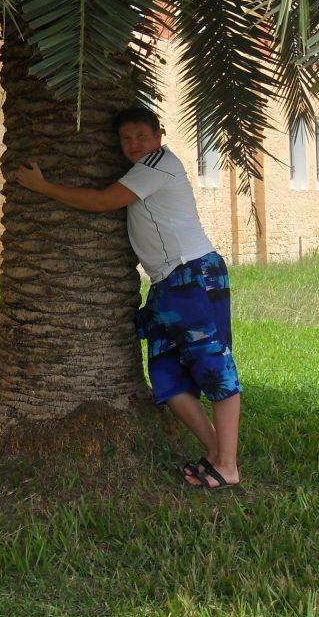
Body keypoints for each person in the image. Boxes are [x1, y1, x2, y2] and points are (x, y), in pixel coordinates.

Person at [15, 107, 241, 489]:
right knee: (166, 377)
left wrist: (43, 187)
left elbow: (103, 201)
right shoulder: (142, 169)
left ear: (159, 136)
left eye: (141, 136)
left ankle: (228, 466)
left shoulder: (158, 164)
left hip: (193, 274)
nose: (134, 144)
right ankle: (217, 454)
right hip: (167, 283)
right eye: (126, 138)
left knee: (214, 366)